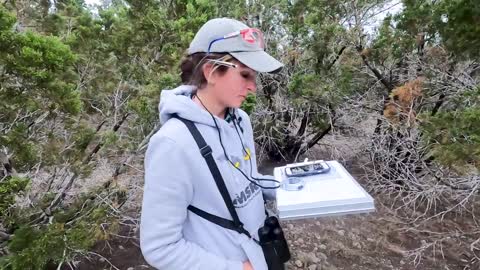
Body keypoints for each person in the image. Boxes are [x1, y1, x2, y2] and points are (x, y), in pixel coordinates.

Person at [140, 17, 284, 270]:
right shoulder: (172, 143)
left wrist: (293, 187)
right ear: (211, 71)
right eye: (245, 74)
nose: (253, 87)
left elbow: (248, 181)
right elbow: (160, 247)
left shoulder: (241, 120)